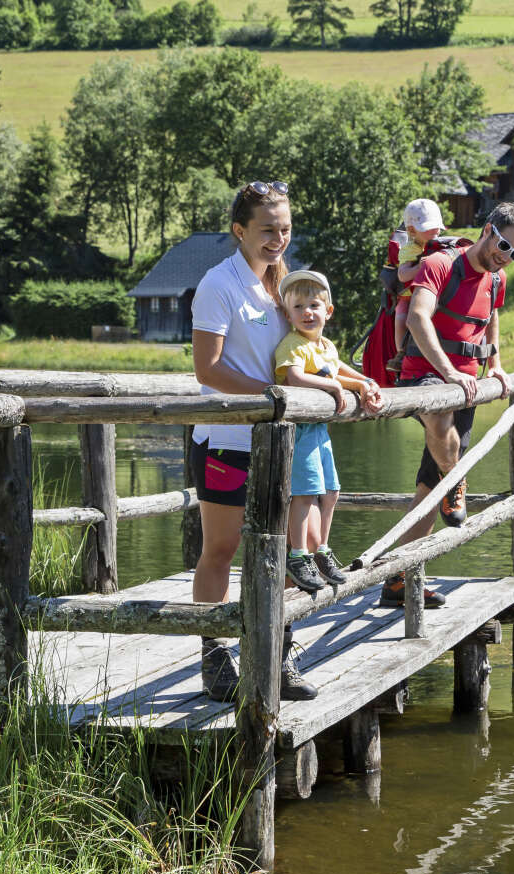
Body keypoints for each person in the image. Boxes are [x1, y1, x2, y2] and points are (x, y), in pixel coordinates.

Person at [188, 179, 316, 703]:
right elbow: (209, 368)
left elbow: (307, 353)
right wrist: (273, 393)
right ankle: (215, 657)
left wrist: (350, 381)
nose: (277, 239)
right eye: (267, 230)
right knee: (222, 548)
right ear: (239, 230)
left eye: (284, 229)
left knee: (285, 551)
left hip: (278, 441)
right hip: (226, 440)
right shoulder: (218, 285)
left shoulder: (282, 282)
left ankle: (277, 657)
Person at [381, 202, 514, 609]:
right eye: (503, 245)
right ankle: (458, 478)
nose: (506, 256)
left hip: (467, 381)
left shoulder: (496, 280)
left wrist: (495, 364)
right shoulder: (439, 263)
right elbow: (417, 319)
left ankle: (399, 578)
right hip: (426, 372)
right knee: (438, 416)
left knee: (428, 489)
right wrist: (448, 372)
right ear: (487, 231)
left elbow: (491, 319)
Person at [272, 268, 383, 592]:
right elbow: (295, 377)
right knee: (304, 493)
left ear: (328, 311)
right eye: (298, 307)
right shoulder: (293, 345)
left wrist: (365, 385)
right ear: (288, 314)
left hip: (321, 432)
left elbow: (341, 372)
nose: (307, 313)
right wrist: (334, 386)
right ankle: (298, 554)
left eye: (314, 306)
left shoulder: (325, 347)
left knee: (331, 491)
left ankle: (321, 549)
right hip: (301, 431)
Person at [387, 198, 445, 373]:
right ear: (412, 230)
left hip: (432, 293)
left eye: (438, 227)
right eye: (429, 228)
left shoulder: (442, 245)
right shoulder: (410, 250)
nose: (435, 231)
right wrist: (420, 266)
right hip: (409, 295)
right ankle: (401, 352)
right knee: (401, 316)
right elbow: (402, 275)